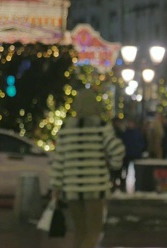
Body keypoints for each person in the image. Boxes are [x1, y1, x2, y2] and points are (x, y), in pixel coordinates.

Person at [50, 85, 125, 248]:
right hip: (95, 188)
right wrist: (112, 166)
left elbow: (59, 161)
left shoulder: (65, 130)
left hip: (72, 190)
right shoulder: (100, 127)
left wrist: (56, 187)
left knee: (80, 232)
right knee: (94, 232)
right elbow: (118, 150)